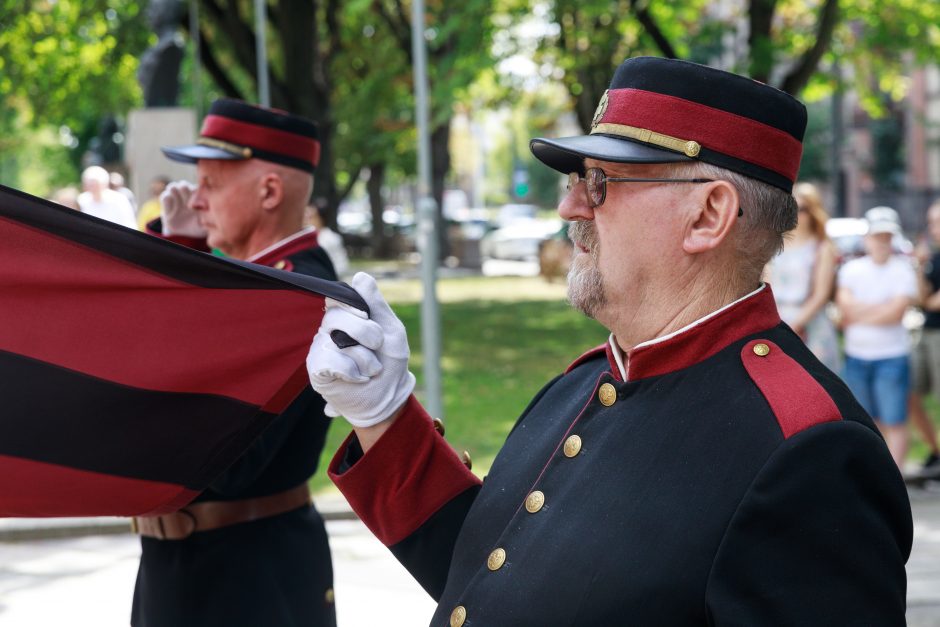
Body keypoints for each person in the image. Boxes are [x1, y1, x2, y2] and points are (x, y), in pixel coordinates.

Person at [306, 57, 912, 625]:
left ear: (707, 216)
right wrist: (383, 417)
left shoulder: (808, 449)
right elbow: (492, 579)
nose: (569, 206)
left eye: (599, 182)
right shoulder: (587, 382)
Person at [131, 98, 338, 627]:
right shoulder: (252, 285)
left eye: (211, 184)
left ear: (269, 191)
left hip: (249, 578)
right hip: (189, 569)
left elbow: (222, 458)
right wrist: (180, 253)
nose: (194, 200)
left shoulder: (296, 293)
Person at [837, 206, 918, 470]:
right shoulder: (852, 269)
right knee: (868, 420)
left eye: (886, 237)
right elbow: (844, 306)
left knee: (894, 419)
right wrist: (880, 308)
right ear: (867, 238)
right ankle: (877, 474)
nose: (882, 242)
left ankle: (894, 476)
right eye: (877, 236)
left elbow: (895, 314)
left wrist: (860, 313)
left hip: (890, 354)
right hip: (857, 354)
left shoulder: (902, 269)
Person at [764, 182, 841, 372]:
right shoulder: (774, 244)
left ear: (813, 211)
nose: (797, 213)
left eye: (803, 208)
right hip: (776, 319)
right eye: (792, 207)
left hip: (810, 324)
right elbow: (766, 282)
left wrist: (795, 325)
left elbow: (821, 294)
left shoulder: (822, 248)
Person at [909, 198, 940, 477]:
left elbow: (933, 303)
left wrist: (927, 300)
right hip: (927, 333)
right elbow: (922, 300)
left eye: (937, 222)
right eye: (931, 222)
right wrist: (919, 267)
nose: (933, 228)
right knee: (911, 392)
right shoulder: (932, 258)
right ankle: (936, 450)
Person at [77, 165, 137, 229]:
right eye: (89, 184)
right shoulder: (81, 200)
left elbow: (129, 224)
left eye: (95, 184)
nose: (92, 187)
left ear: (104, 184)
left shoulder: (119, 199)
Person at [305, 201, 349, 276]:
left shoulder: (331, 238)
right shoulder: (306, 236)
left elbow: (342, 266)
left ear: (320, 218)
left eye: (311, 217)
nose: (307, 220)